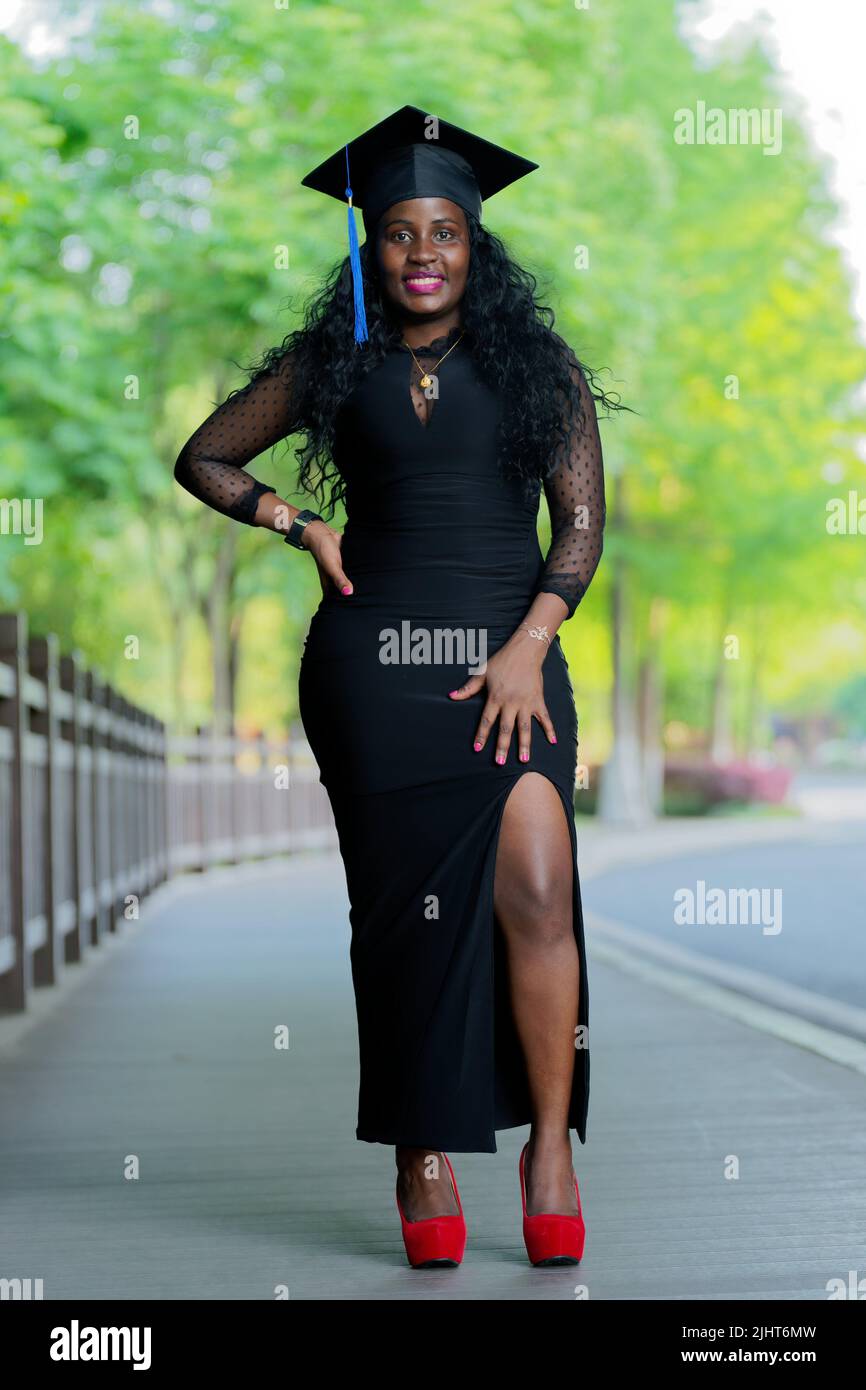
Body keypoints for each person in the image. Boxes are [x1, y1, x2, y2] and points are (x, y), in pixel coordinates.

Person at [174, 104, 615, 1269]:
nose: (424, 252)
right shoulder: (331, 361)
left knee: (536, 881)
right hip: (372, 669)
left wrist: (531, 639)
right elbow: (204, 455)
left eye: (446, 233)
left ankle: (550, 1149)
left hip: (507, 657)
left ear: (476, 246)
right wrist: (297, 523)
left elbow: (578, 522)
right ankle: (417, 1151)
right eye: (400, 233)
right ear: (369, 247)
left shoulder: (537, 366)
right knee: (397, 917)